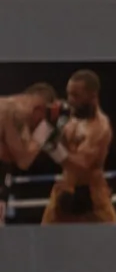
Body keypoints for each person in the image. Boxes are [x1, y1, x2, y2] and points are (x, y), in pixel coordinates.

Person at [41, 68, 116, 224]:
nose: (70, 100)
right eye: (69, 94)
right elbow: (40, 140)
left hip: (93, 197)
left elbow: (82, 165)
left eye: (76, 96)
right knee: (42, 243)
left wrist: (52, 147)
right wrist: (47, 125)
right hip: (64, 189)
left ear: (92, 96)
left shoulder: (100, 127)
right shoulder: (70, 117)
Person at [0, 82, 61, 226]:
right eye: (43, 119)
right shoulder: (12, 112)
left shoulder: (19, 114)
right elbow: (24, 160)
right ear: (40, 109)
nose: (38, 126)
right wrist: (47, 128)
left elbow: (23, 152)